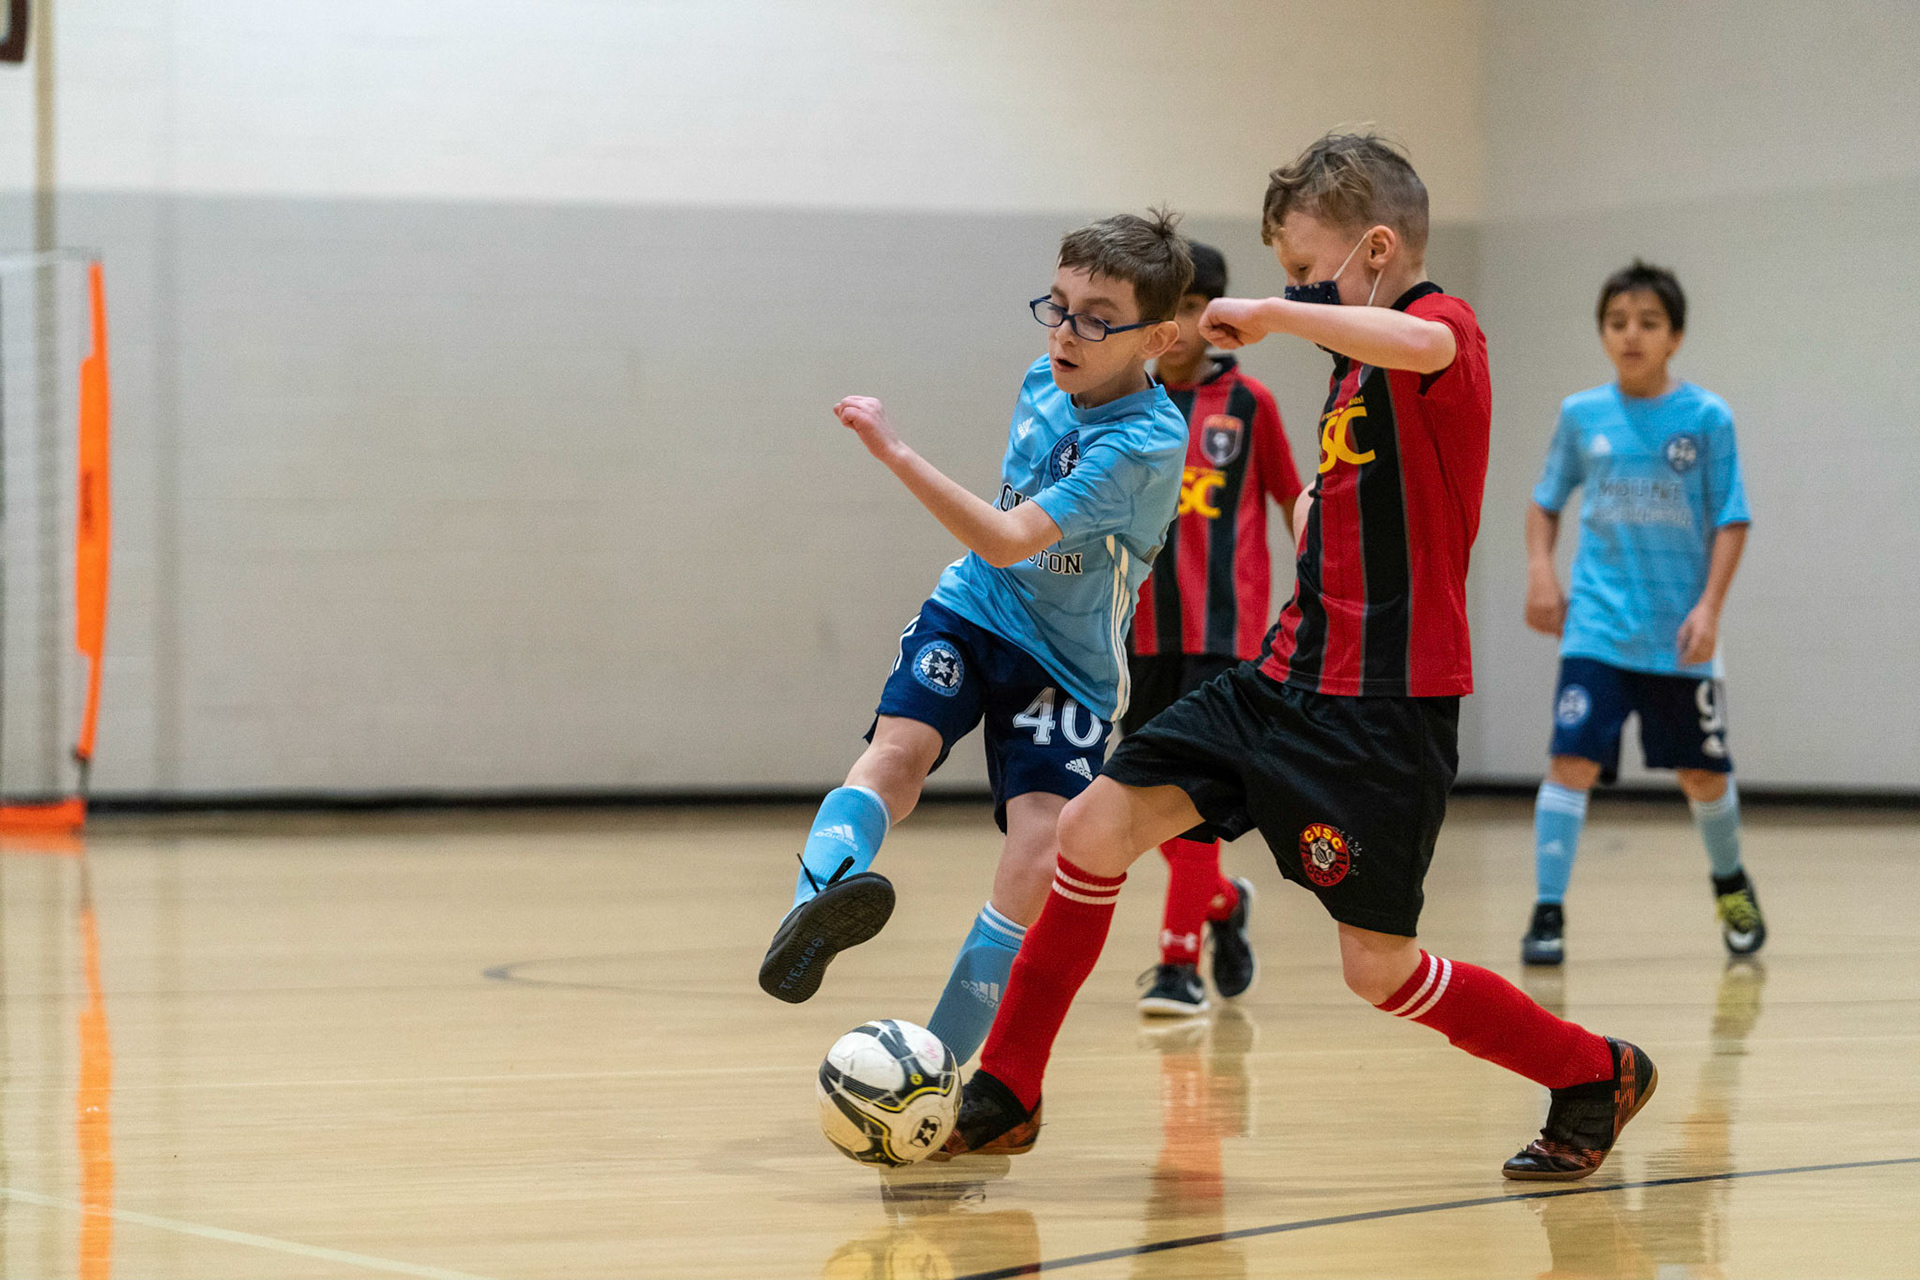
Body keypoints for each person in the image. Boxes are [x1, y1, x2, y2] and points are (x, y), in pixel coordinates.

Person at [938, 133, 1656, 1183]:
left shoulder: (1436, 328)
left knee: (1378, 968)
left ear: (1374, 252)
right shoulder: (1348, 370)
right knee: (1093, 827)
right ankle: (1007, 1092)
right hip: (1281, 677)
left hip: (1383, 709)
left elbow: (1427, 350)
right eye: (1283, 278)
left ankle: (1596, 1070)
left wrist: (1275, 316)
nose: (1288, 292)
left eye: (1306, 272)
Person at [757, 211, 1192, 1071]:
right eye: (1059, 306)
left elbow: (1007, 535)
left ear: (1160, 338)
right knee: (895, 758)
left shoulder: (1146, 443)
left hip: (1066, 668)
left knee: (1038, 846)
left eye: (1098, 316)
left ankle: (942, 1065)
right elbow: (996, 560)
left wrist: (892, 450)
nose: (1068, 332)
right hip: (973, 608)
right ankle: (809, 915)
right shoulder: (1042, 377)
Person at [1520, 261, 1759, 966]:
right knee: (1571, 761)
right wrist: (1541, 571)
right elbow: (1543, 502)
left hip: (1679, 637)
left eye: (1649, 323)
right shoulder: (1580, 414)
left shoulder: (1708, 418)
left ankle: (1731, 885)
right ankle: (1548, 913)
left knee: (1702, 776)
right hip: (1595, 627)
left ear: (1675, 336)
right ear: (1602, 332)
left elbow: (1733, 518)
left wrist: (1711, 608)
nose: (1632, 335)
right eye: (1618, 322)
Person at [1126, 241, 1302, 1016]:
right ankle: (1224, 903)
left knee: (1188, 803)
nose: (1180, 324)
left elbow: (1298, 503)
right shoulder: (1126, 406)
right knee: (1134, 804)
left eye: (1194, 306)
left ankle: (1177, 966)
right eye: (1166, 309)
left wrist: (1321, 603)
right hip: (1136, 635)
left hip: (1225, 637)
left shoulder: (1251, 407)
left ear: (1219, 315)